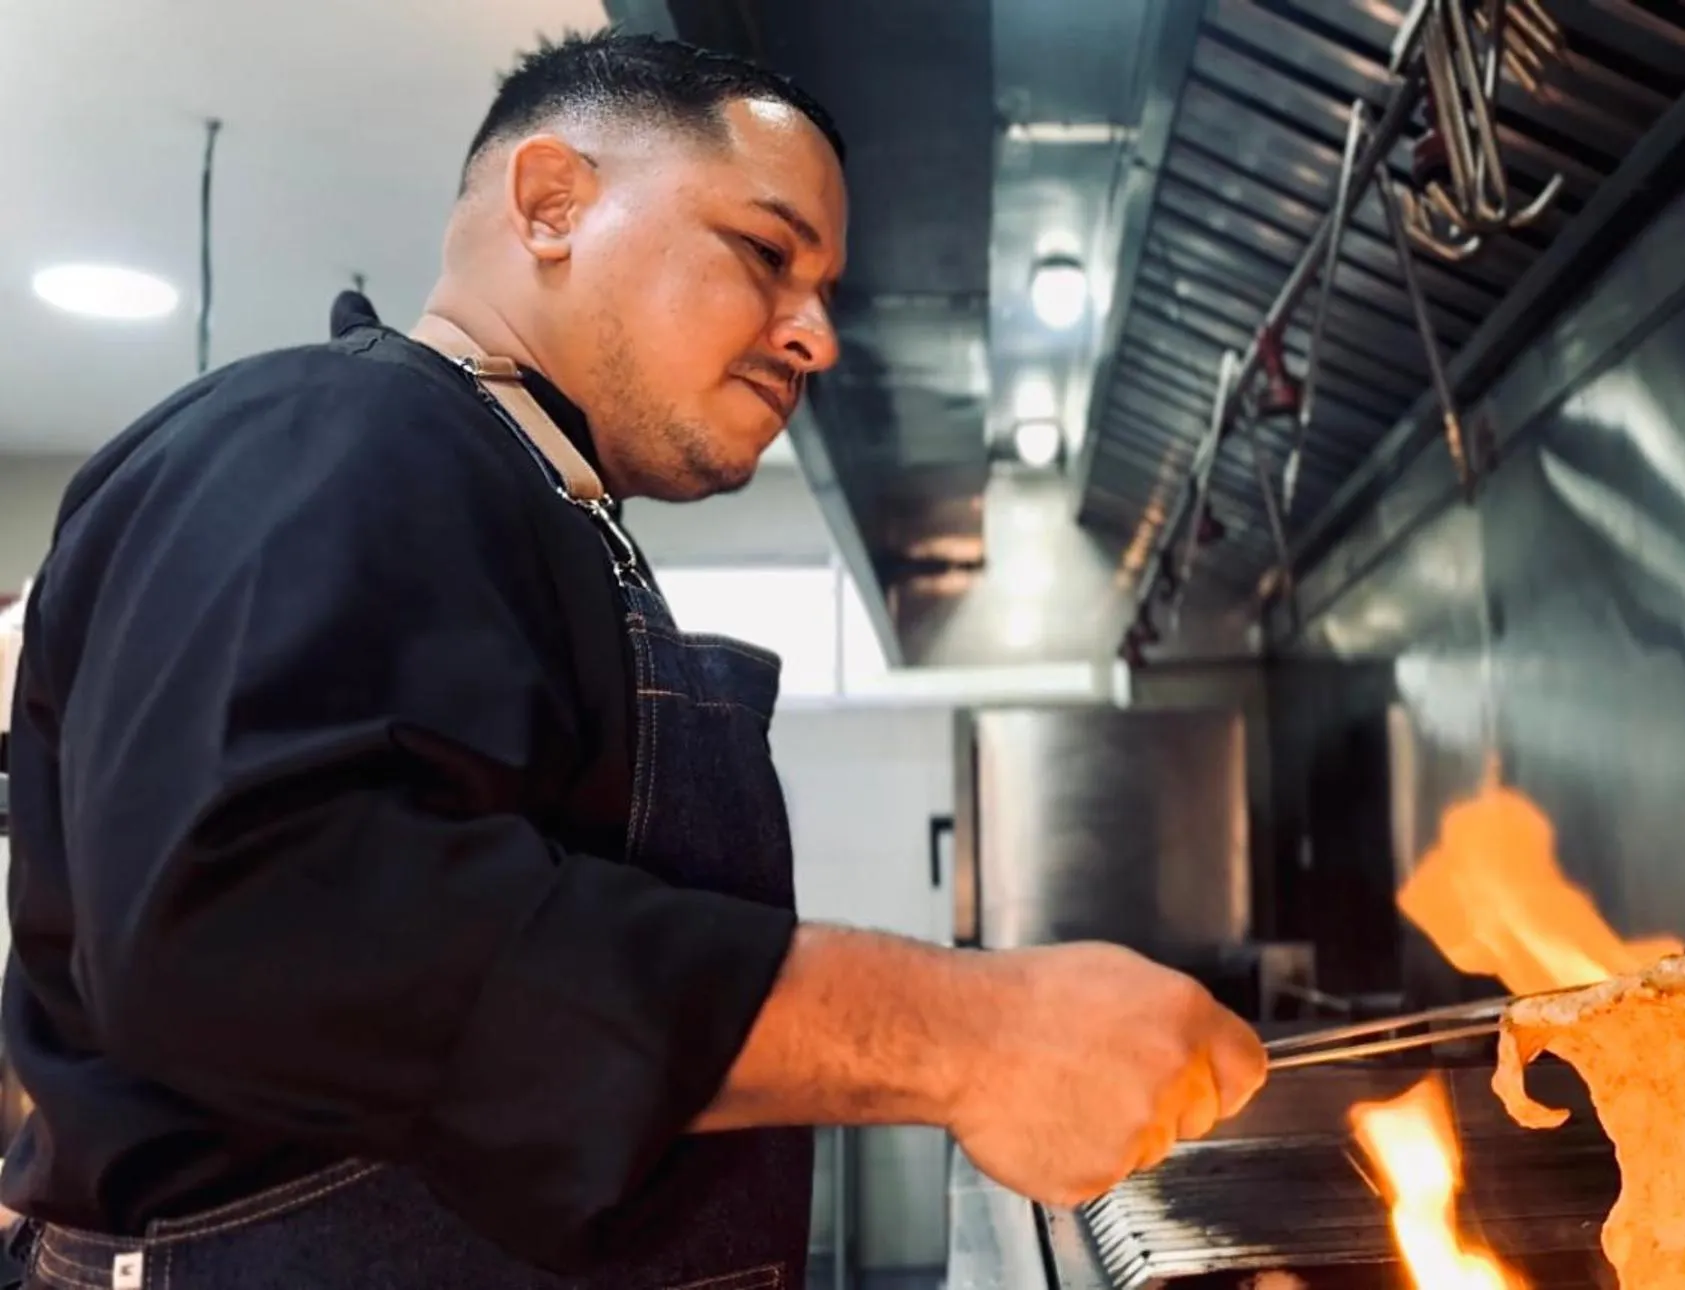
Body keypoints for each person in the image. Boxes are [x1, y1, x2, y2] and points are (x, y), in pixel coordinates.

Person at [1, 30, 1267, 1289]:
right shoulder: (330, 432)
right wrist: (963, 1034)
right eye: (765, 253)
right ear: (552, 204)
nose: (816, 337)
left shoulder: (534, 507)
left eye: (824, 290)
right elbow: (262, 921)